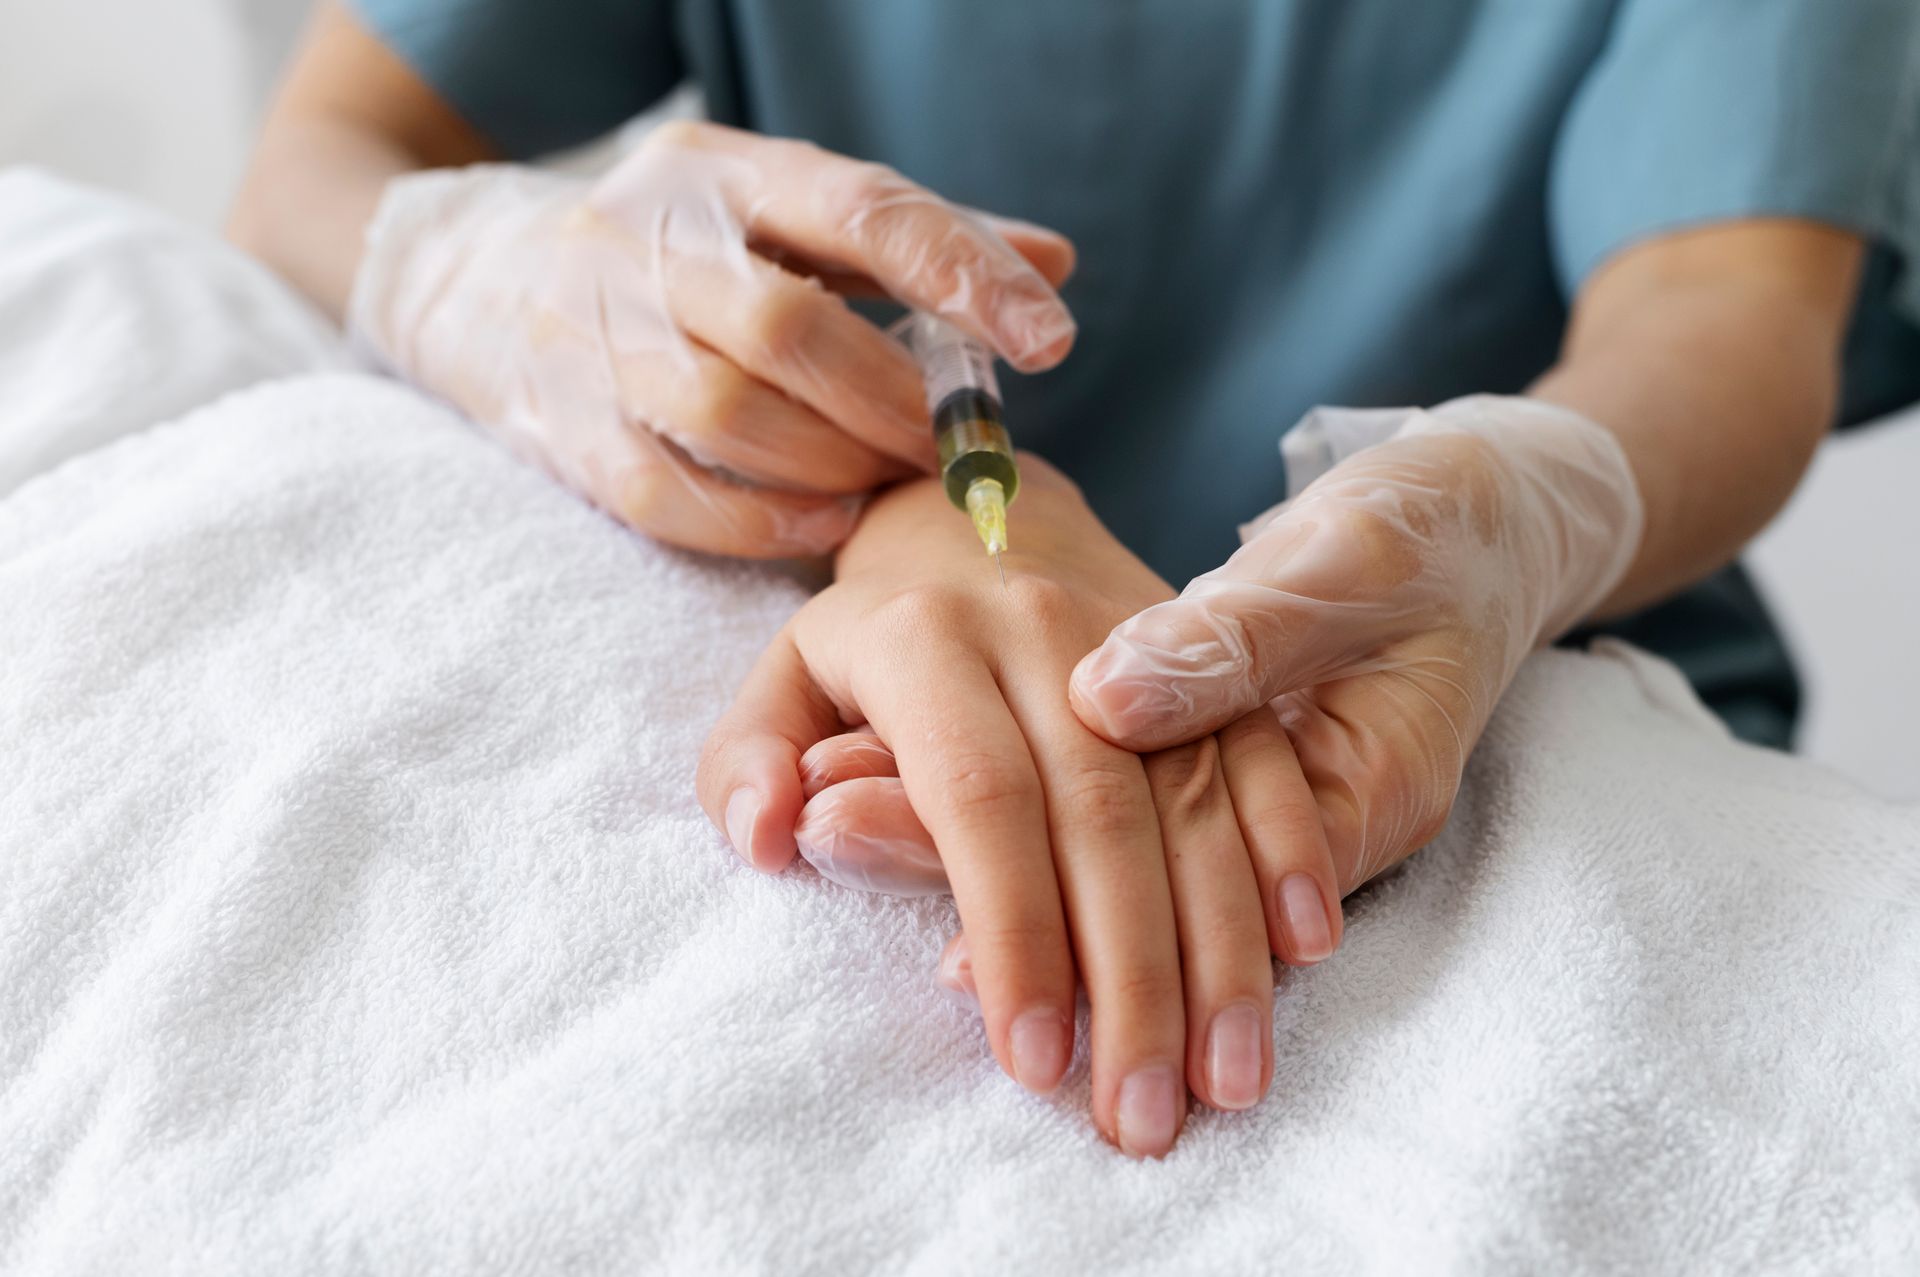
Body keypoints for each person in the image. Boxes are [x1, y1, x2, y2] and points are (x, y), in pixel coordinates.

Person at [229, 0, 1920, 1158]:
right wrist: (479, 271)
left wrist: (1522, 508)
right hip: (863, 596)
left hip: (1498, 671)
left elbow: (1733, 308)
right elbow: (322, 153)